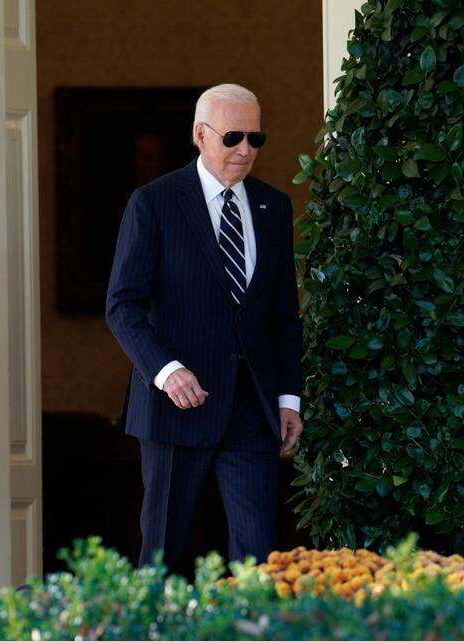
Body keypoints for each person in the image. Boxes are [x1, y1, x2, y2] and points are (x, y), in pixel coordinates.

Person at [106, 83, 303, 577]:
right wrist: (167, 372)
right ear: (200, 134)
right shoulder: (154, 202)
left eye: (256, 139)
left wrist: (288, 399)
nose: (245, 150)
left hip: (250, 410)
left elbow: (282, 314)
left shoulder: (272, 207)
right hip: (178, 406)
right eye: (233, 136)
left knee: (259, 560)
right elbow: (122, 306)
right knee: (164, 556)